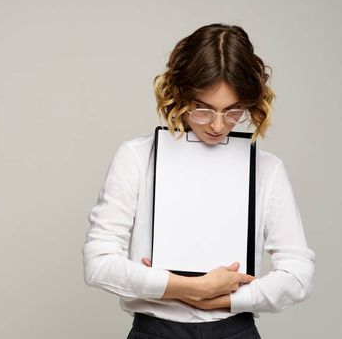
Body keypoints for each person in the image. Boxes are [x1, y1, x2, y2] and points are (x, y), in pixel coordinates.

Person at [82, 23, 315, 339]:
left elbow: (298, 275)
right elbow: (99, 263)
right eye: (203, 109)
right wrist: (188, 288)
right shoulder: (137, 157)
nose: (219, 125)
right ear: (179, 94)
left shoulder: (266, 168)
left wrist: (227, 297)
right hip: (156, 332)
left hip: (235, 331)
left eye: (233, 112)